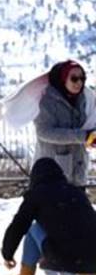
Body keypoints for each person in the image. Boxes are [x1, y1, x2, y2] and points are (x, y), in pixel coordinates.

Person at [1, 158, 96, 275]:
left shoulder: (36, 195)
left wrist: (7, 254)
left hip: (65, 256)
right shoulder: (76, 192)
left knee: (33, 228)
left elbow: (18, 225)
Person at [34, 60, 93, 188]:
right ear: (63, 79)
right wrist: (83, 136)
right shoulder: (46, 101)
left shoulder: (85, 98)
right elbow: (44, 132)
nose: (79, 83)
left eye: (82, 78)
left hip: (78, 173)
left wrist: (91, 137)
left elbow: (87, 126)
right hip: (53, 174)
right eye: (74, 78)